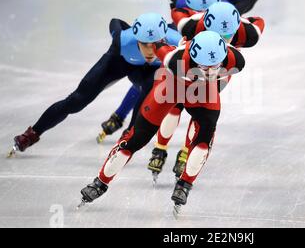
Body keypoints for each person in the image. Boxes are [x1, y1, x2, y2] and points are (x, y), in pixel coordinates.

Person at [79, 30, 246, 212]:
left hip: (203, 92)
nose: (210, 71)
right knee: (136, 138)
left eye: (215, 66)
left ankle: (184, 185)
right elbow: (160, 48)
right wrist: (157, 41)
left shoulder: (235, 59)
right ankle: (100, 182)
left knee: (204, 138)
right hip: (171, 86)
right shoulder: (175, 60)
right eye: (204, 67)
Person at [9, 13, 181, 157]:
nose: (151, 51)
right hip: (121, 62)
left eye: (157, 45)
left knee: (150, 92)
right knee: (77, 100)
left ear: (165, 38)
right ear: (136, 39)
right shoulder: (123, 41)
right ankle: (32, 134)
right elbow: (115, 23)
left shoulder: (177, 42)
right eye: (145, 45)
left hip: (150, 73)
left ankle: (128, 137)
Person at [148, 2, 265, 180]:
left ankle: (182, 152)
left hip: (216, 75)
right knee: (176, 105)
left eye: (228, 35)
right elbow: (258, 21)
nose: (223, 41)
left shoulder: (245, 33)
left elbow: (178, 11)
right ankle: (160, 148)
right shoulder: (193, 26)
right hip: (191, 71)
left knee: (199, 115)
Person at [96, 0, 221, 144]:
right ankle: (121, 117)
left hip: (181, 49)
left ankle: (122, 119)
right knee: (146, 85)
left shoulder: (215, 15)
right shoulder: (187, 8)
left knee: (152, 86)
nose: (200, 13)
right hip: (171, 44)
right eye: (197, 9)